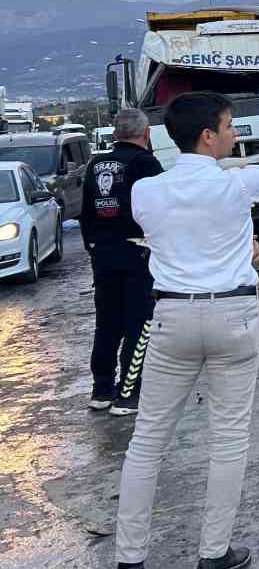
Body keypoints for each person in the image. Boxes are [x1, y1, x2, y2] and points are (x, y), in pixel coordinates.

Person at [107, 92, 259, 569]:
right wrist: (245, 236)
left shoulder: (146, 191)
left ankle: (130, 566)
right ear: (209, 136)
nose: (236, 134)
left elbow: (173, 232)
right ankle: (213, 555)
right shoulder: (237, 182)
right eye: (231, 126)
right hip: (233, 313)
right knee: (228, 439)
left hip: (171, 314)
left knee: (147, 441)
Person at [82, 108, 163, 416]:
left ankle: (101, 390)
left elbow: (86, 211)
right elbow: (159, 208)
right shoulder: (146, 163)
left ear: (115, 134)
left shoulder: (96, 163)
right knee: (138, 323)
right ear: (146, 134)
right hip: (137, 251)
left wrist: (94, 246)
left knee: (107, 322)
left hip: (103, 253)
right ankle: (128, 394)